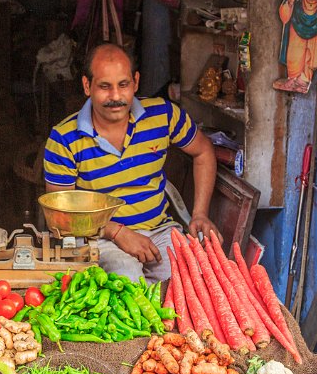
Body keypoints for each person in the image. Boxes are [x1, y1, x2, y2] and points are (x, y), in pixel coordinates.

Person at [43, 43, 218, 284]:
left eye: (123, 85)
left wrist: (200, 213)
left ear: (135, 82)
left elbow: (204, 152)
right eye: (105, 86)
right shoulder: (64, 138)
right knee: (128, 284)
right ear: (87, 86)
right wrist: (116, 232)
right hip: (100, 240)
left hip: (160, 231)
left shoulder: (163, 115)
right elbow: (61, 214)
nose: (115, 96)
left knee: (193, 283)